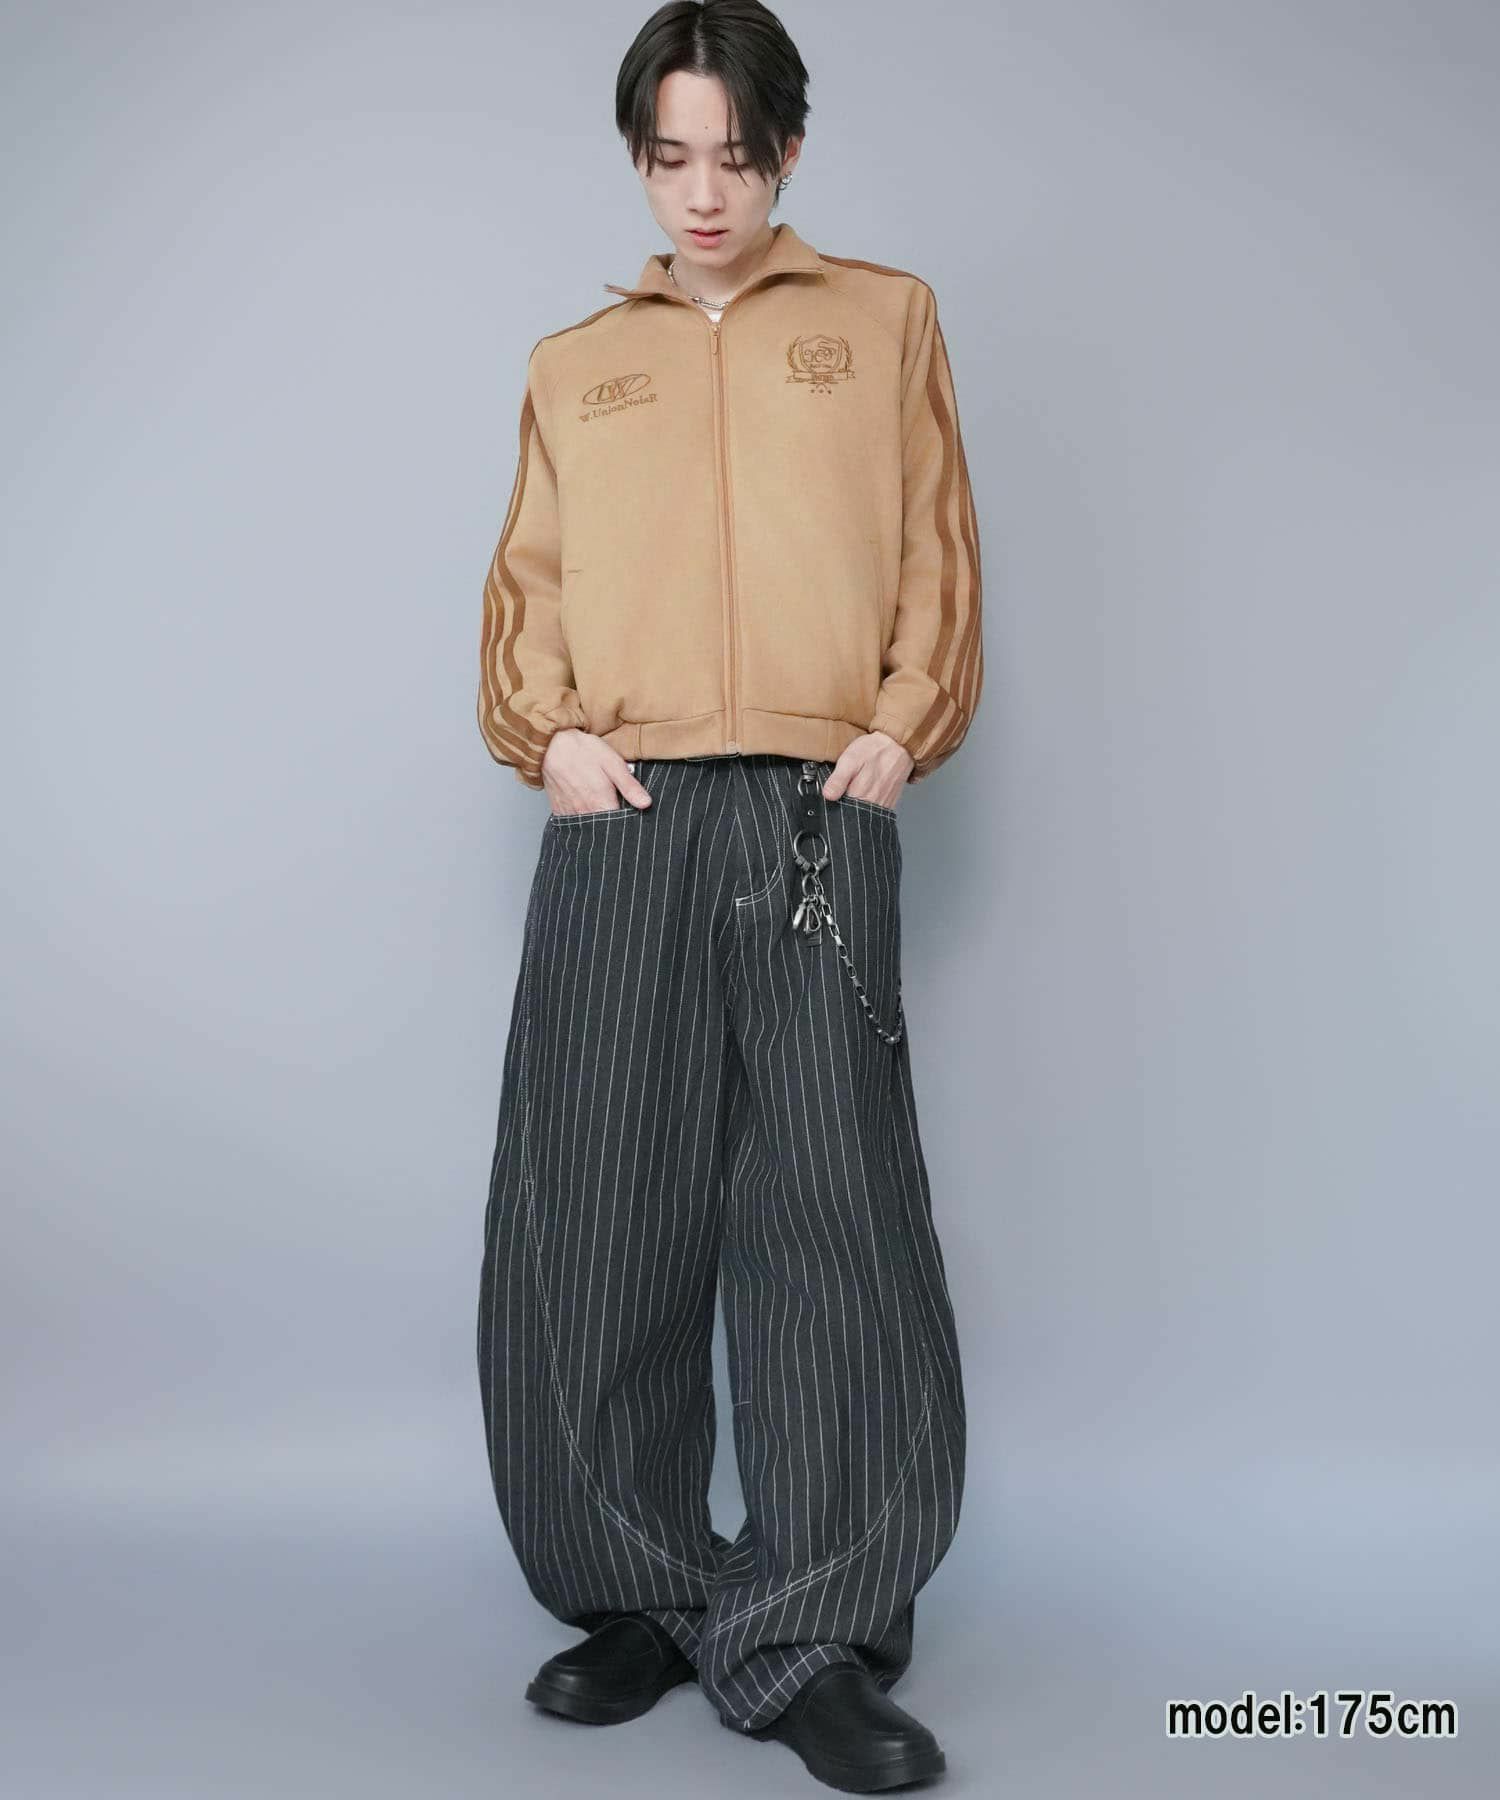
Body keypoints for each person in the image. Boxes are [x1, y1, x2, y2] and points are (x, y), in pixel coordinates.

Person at [475, 2, 982, 1789]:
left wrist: (900, 731)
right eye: (671, 157)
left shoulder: (884, 319)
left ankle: (814, 1623)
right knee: (597, 1207)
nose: (705, 193)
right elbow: (529, 588)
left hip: (817, 803)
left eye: (738, 156)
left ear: (788, 152)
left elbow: (933, 551)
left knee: (832, 1218)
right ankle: (640, 1587)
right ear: (639, 159)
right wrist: (546, 739)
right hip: (623, 807)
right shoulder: (574, 363)